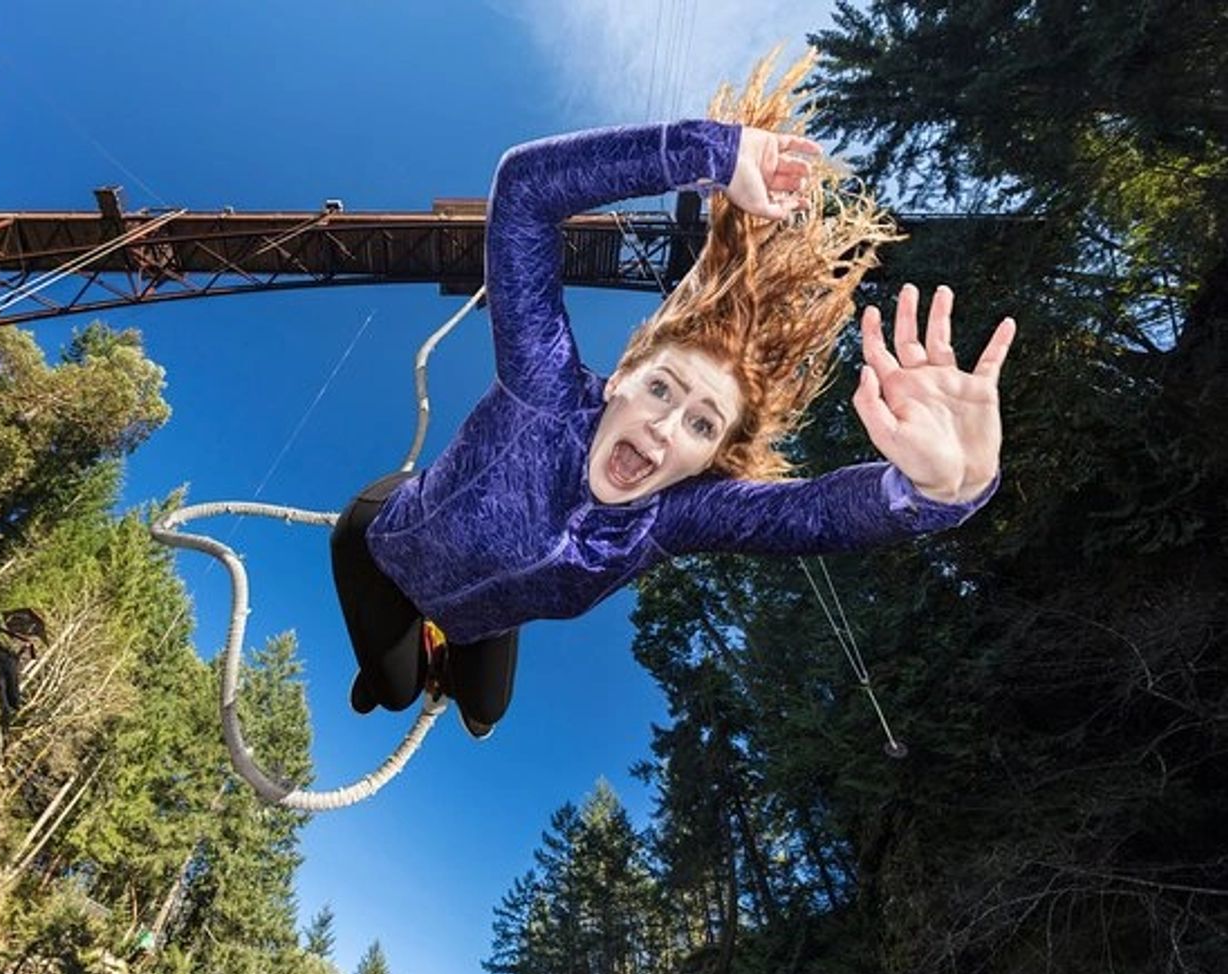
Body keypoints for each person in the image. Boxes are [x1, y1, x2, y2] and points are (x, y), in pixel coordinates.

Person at [330, 56, 1013, 740]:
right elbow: (525, 191)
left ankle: (452, 656)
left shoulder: (674, 518)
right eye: (661, 387)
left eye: (701, 424)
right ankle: (408, 657)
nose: (663, 425)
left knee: (486, 712)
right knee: (393, 692)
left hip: (488, 612)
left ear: (710, 459)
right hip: (384, 543)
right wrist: (708, 152)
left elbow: (810, 515)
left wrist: (939, 492)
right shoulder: (544, 393)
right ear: (620, 380)